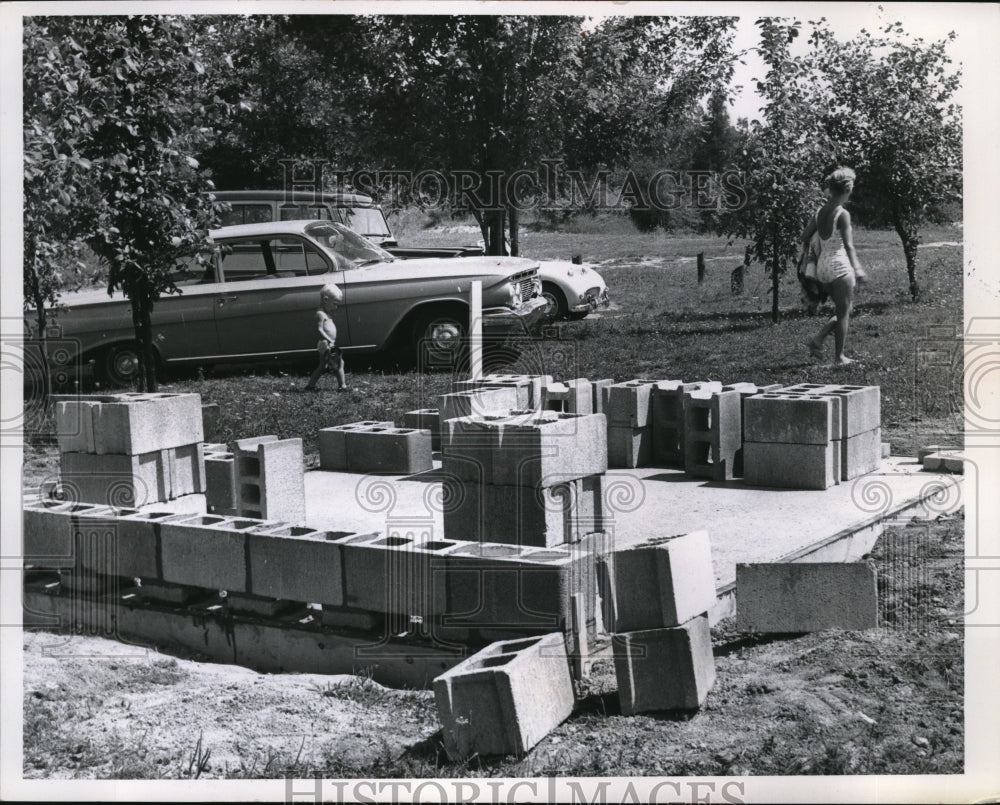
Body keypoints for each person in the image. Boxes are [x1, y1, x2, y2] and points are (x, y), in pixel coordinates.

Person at [801, 167, 867, 365]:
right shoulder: (843, 214)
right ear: (847, 190)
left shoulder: (820, 211)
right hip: (840, 267)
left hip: (822, 268)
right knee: (844, 312)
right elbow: (848, 246)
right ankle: (839, 357)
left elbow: (804, 236)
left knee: (844, 309)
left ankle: (818, 340)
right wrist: (858, 268)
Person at [303, 283, 347, 391]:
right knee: (339, 363)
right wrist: (329, 340)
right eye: (335, 304)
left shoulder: (326, 313)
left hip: (328, 343)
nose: (336, 307)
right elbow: (319, 330)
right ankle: (342, 386)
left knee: (322, 366)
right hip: (325, 344)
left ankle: (310, 385)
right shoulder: (320, 314)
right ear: (326, 300)